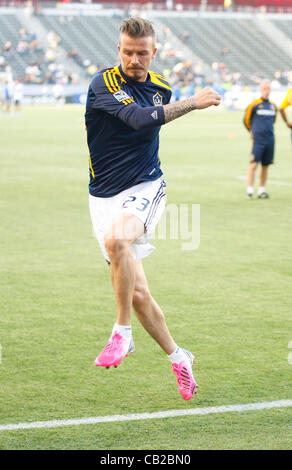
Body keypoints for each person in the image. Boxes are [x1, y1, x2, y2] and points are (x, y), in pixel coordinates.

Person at [85, 17, 221, 401]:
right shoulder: (104, 84)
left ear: (154, 53)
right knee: (139, 293)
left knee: (117, 240)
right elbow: (136, 119)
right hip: (103, 197)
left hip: (146, 185)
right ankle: (180, 358)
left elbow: (150, 119)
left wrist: (184, 103)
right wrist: (193, 103)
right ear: (119, 50)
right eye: (127, 52)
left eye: (141, 53)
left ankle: (122, 333)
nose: (134, 59)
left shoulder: (161, 87)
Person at [243, 81, 277, 199]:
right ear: (260, 90)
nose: (266, 91)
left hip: (270, 139)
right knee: (253, 164)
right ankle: (250, 190)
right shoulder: (254, 105)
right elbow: (246, 120)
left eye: (268, 89)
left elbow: (273, 121)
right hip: (257, 140)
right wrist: (252, 132)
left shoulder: (273, 106)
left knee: (266, 165)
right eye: (264, 89)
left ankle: (262, 190)